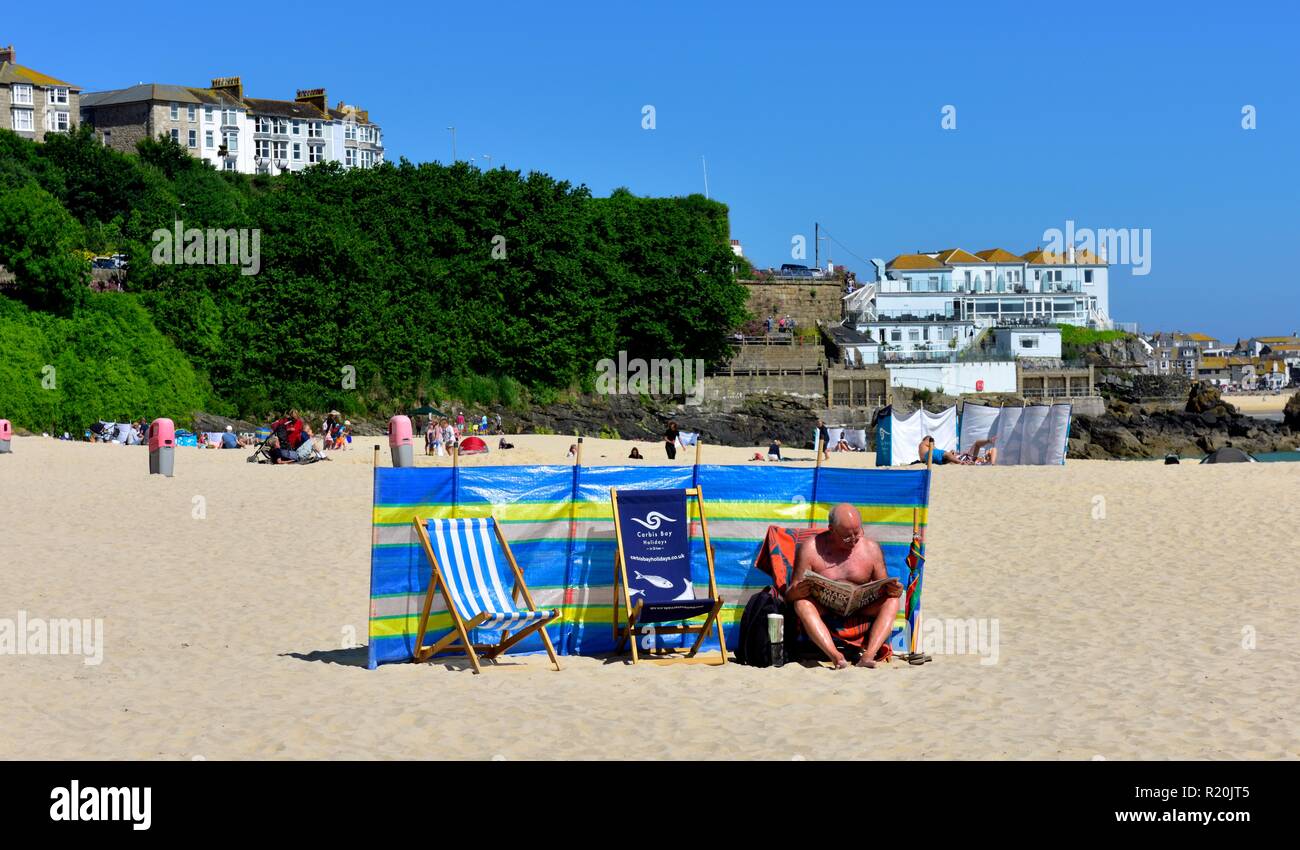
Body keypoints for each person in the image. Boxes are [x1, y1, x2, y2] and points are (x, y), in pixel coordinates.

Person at [785, 503, 903, 669]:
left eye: (858, 533)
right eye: (847, 537)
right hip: (825, 608)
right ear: (831, 529)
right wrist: (796, 592)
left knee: (892, 601)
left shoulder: (870, 548)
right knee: (802, 603)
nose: (854, 540)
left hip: (861, 608)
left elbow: (883, 587)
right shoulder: (811, 549)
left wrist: (894, 590)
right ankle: (836, 656)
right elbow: (789, 596)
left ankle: (868, 655)